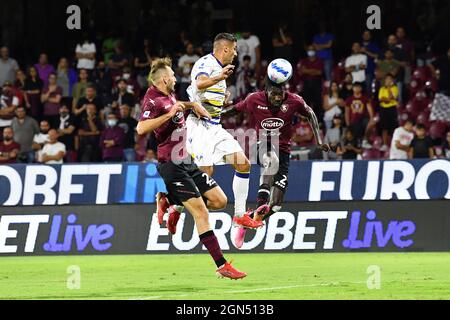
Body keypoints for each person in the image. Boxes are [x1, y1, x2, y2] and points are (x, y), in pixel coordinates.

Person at [137, 57, 247, 279]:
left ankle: (169, 200)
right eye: (173, 75)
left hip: (187, 160)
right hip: (171, 165)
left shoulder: (169, 95)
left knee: (219, 201)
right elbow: (141, 128)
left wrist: (191, 105)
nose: (176, 78)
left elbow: (176, 106)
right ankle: (222, 265)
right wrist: (169, 114)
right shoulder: (152, 99)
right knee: (201, 212)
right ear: (165, 79)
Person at [222, 74, 331, 248]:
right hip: (263, 145)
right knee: (270, 160)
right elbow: (234, 109)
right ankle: (261, 202)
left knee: (277, 205)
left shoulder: (294, 100)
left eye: (281, 95)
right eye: (274, 95)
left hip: (284, 152)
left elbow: (310, 113)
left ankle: (249, 221)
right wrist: (212, 117)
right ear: (266, 92)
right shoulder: (253, 99)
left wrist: (318, 140)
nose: (278, 98)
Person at [186, 33, 266, 230]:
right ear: (225, 49)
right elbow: (199, 83)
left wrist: (223, 98)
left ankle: (239, 215)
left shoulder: (218, 71)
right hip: (199, 126)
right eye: (235, 49)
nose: (236, 53)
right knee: (206, 172)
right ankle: (173, 205)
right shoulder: (207, 63)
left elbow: (208, 95)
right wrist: (219, 77)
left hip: (214, 126)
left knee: (243, 164)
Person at [344, 82, 375, 148]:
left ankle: (365, 140)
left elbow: (369, 108)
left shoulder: (365, 98)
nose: (356, 88)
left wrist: (372, 118)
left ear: (361, 88)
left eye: (358, 87)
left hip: (363, 119)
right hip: (354, 121)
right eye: (355, 87)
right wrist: (347, 124)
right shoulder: (349, 99)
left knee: (372, 123)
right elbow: (346, 112)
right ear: (353, 88)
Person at [299, 44, 324, 117]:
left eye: (312, 50)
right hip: (306, 84)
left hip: (317, 84)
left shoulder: (319, 60)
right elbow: (302, 71)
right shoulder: (304, 61)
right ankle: (306, 120)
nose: (311, 51)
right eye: (309, 50)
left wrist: (307, 70)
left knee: (317, 103)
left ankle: (319, 121)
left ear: (315, 51)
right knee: (306, 103)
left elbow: (319, 72)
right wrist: (314, 71)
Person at [378, 74, 399, 151]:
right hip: (383, 109)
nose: (388, 81)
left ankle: (394, 144)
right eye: (387, 79)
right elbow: (381, 99)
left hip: (392, 108)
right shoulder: (382, 89)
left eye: (390, 79)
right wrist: (387, 99)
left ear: (392, 81)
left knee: (394, 128)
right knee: (384, 128)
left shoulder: (395, 88)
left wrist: (389, 89)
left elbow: (392, 97)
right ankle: (384, 144)